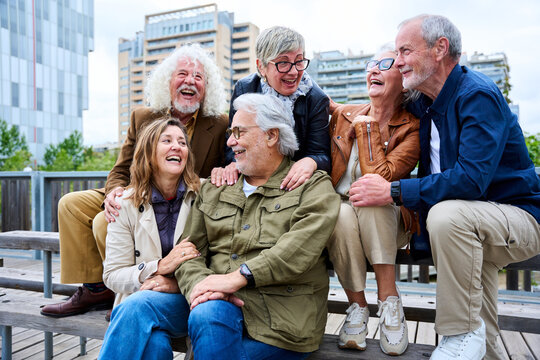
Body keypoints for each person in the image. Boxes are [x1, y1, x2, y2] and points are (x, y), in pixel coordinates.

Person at [353, 14, 540, 360]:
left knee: (447, 216)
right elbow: (366, 105)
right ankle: (478, 346)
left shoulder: (477, 95)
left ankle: (458, 333)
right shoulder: (424, 102)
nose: (398, 62)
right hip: (471, 228)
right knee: (480, 322)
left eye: (405, 51)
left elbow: (470, 180)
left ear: (440, 49)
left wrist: (394, 191)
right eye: (395, 53)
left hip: (518, 219)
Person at [40, 43, 228, 318]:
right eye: (183, 74)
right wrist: (114, 193)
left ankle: (134, 287)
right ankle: (95, 289)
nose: (190, 81)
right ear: (168, 81)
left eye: (198, 77)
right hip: (135, 190)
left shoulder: (220, 123)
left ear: (207, 87)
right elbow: (120, 169)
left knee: (106, 220)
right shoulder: (143, 117)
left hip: (177, 198)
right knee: (71, 204)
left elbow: (226, 168)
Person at [175, 93, 341, 359]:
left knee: (209, 334)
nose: (230, 142)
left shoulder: (312, 187)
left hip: (281, 323)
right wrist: (203, 286)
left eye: (239, 132)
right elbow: (187, 251)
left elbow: (297, 250)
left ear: (271, 136)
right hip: (216, 308)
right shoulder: (217, 188)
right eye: (231, 132)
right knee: (184, 315)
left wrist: (235, 278)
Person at [326, 45, 420, 356]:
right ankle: (358, 307)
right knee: (337, 212)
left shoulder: (411, 128)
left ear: (403, 78)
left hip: (388, 219)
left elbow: (383, 177)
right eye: (370, 64)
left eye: (384, 63)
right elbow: (317, 98)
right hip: (343, 218)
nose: (373, 69)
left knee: (373, 195)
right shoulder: (346, 113)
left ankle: (389, 302)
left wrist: (367, 129)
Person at [98, 118, 200, 359]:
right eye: (167, 141)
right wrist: (157, 268)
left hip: (187, 303)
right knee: (153, 347)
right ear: (148, 152)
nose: (177, 146)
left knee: (138, 307)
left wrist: (174, 284)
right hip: (141, 300)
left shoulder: (204, 196)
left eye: (182, 142)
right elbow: (112, 275)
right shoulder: (124, 204)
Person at [211, 26, 330, 192]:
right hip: (254, 174)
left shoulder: (316, 99)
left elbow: (322, 153)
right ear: (261, 67)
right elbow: (234, 135)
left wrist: (312, 161)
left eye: (299, 61)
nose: (294, 71)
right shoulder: (244, 89)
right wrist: (233, 162)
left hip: (291, 181)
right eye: (283, 63)